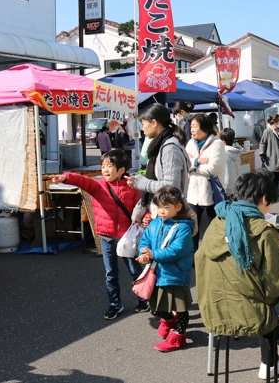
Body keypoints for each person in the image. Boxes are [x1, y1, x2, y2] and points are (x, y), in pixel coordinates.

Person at [195, 170, 279, 383]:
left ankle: (270, 363)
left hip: (214, 309)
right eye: (270, 203)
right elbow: (274, 287)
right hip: (252, 313)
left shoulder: (216, 223)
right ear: (264, 199)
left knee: (255, 295)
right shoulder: (264, 231)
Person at [49, 149, 147, 319]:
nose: (105, 170)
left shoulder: (133, 188)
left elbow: (142, 206)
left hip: (126, 237)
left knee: (134, 270)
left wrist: (146, 217)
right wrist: (66, 177)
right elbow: (83, 181)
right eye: (103, 166)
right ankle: (115, 304)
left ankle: (143, 299)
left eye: (110, 166)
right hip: (106, 236)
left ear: (122, 170)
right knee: (111, 274)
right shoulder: (99, 185)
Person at [136, 186, 196, 352]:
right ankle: (168, 320)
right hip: (158, 273)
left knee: (181, 307)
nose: (161, 211)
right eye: (158, 207)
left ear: (178, 207)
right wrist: (144, 253)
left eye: (166, 207)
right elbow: (145, 240)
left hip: (176, 273)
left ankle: (179, 335)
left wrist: (153, 254)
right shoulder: (155, 224)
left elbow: (176, 250)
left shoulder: (183, 227)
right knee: (157, 306)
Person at [127, 104, 190, 228]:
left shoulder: (169, 148)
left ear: (154, 123)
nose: (142, 129)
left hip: (171, 218)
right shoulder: (160, 145)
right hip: (162, 215)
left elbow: (171, 186)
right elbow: (155, 178)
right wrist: (139, 210)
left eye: (144, 124)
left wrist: (142, 183)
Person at [185, 113, 226, 250]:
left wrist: (193, 166)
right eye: (191, 126)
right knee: (192, 230)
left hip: (211, 195)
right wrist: (198, 161)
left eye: (195, 126)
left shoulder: (217, 143)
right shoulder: (191, 142)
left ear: (205, 127)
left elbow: (213, 169)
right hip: (193, 195)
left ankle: (212, 258)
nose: (192, 130)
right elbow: (185, 164)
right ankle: (193, 257)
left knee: (213, 230)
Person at [260, 114, 279, 191]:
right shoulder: (267, 131)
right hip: (270, 156)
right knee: (270, 175)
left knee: (277, 174)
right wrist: (262, 154)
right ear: (275, 121)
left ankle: (275, 190)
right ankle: (270, 191)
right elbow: (262, 143)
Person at [221, 127, 241, 197]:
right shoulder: (236, 153)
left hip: (226, 187)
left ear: (223, 141)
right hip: (236, 185)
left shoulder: (223, 153)